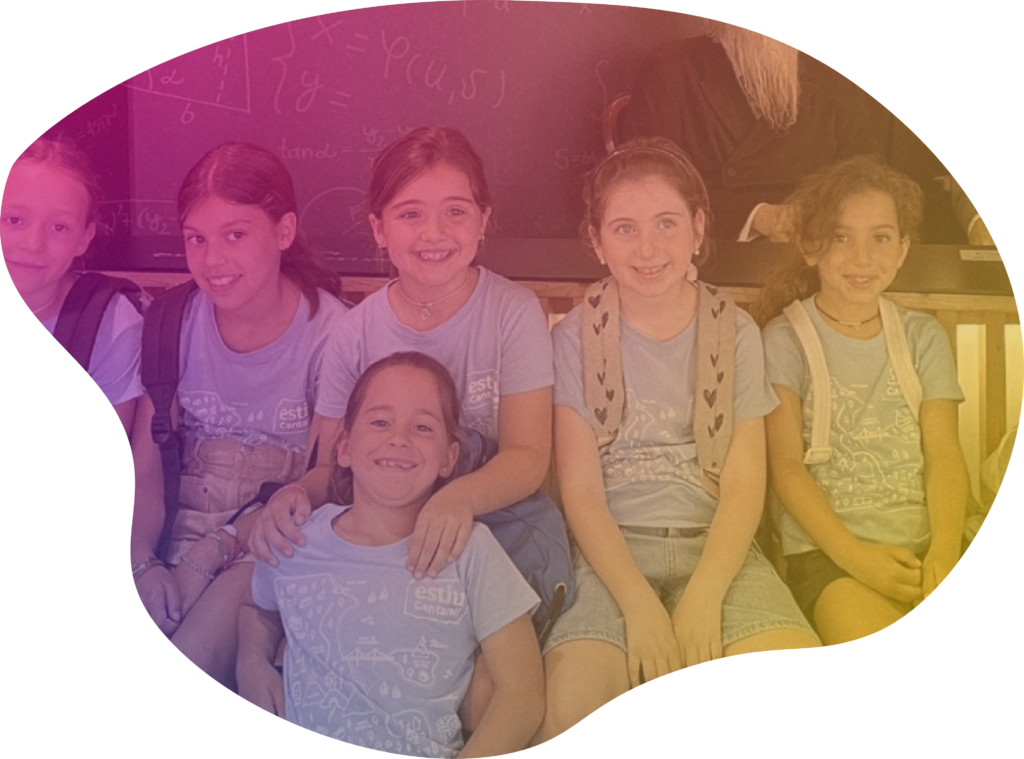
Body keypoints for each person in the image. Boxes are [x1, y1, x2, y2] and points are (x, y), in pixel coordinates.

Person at [532, 138, 819, 744]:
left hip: (718, 551)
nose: (648, 248)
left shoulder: (735, 331)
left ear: (698, 228)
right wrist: (639, 607)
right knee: (568, 708)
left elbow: (744, 483)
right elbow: (581, 491)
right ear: (597, 241)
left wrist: (706, 596)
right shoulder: (574, 337)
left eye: (666, 223)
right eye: (625, 228)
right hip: (609, 558)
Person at [251, 127, 554, 584]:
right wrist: (293, 494)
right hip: (378, 546)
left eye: (456, 211)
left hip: (486, 536)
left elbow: (527, 455)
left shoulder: (513, 312)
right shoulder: (353, 332)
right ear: (379, 228)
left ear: (483, 220)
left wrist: (457, 499)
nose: (434, 233)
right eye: (410, 214)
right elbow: (330, 467)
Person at [239, 352, 543, 758]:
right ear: (344, 447)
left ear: (449, 458)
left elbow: (522, 694)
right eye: (380, 422)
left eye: (423, 427)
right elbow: (255, 603)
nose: (399, 438)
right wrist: (251, 660)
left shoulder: (471, 550)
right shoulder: (296, 539)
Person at [129, 142, 348, 688]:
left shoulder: (334, 335)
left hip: (273, 541)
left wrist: (215, 549)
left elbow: (324, 483)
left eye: (235, 235)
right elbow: (146, 465)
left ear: (284, 231)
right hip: (174, 531)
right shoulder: (171, 322)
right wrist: (141, 560)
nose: (213, 261)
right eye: (196, 239)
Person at [757, 155, 969, 646]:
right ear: (810, 246)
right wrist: (857, 559)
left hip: (928, 549)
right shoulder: (785, 340)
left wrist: (944, 553)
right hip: (832, 561)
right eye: (841, 237)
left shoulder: (923, 337)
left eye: (881, 238)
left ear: (903, 250)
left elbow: (944, 454)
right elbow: (786, 469)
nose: (862, 257)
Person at [621, 20, 888, 242]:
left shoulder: (833, 76)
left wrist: (822, 215)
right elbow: (649, 184)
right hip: (717, 252)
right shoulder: (671, 67)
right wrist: (756, 217)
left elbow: (866, 176)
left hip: (814, 252)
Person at [2, 137, 143, 436]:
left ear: (84, 238)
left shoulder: (109, 326)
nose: (33, 244)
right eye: (14, 220)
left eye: (59, 227)